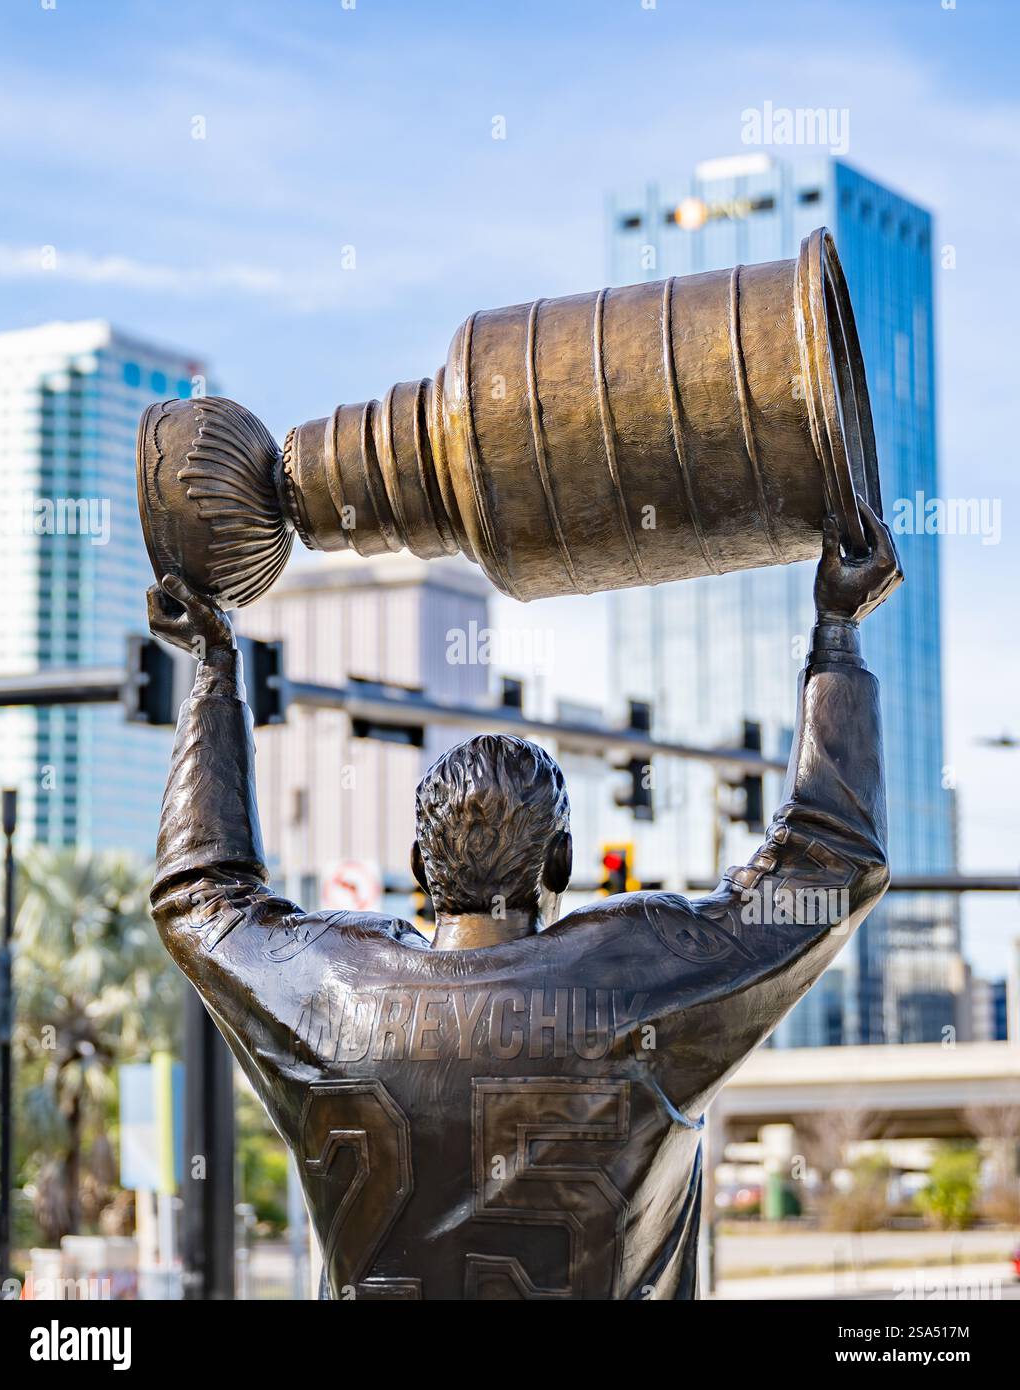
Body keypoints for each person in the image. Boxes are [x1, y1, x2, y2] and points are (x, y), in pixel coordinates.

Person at [148, 499, 901, 1300]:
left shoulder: (327, 993)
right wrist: (836, 636)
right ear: (563, 863)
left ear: (417, 864)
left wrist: (213, 672)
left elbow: (201, 892)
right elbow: (832, 860)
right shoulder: (641, 975)